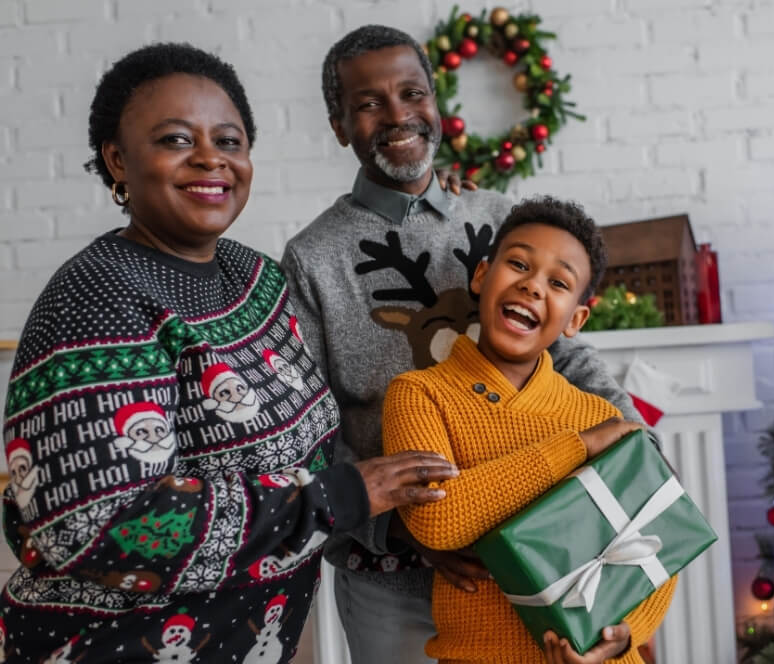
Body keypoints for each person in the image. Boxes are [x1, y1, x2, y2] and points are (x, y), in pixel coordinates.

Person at [0, 42, 458, 662]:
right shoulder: (97, 297)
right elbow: (91, 523)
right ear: (117, 161)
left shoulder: (257, 278)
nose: (211, 159)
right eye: (175, 140)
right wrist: (335, 497)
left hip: (249, 639)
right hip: (112, 647)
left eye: (230, 140)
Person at [281, 24, 647, 664]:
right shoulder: (312, 258)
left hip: (530, 546)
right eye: (368, 103)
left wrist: (633, 443)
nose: (398, 115)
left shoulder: (496, 217)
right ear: (339, 125)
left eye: (412, 93)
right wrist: (403, 526)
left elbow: (565, 355)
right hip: (391, 570)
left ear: (437, 105)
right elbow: (308, 430)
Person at [382, 196, 676, 664]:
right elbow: (437, 518)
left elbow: (660, 542)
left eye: (558, 282)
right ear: (482, 276)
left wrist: (625, 635)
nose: (533, 286)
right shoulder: (419, 394)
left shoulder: (596, 413)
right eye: (518, 263)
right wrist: (575, 449)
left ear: (576, 318)